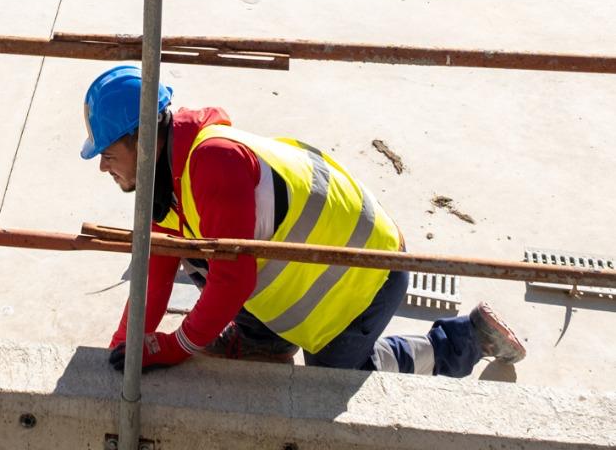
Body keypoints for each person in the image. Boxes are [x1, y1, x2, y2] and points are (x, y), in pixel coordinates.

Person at [81, 65, 526, 376]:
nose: (103, 167)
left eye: (107, 153)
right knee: (197, 254)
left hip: (362, 280)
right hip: (318, 269)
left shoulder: (213, 164)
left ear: (141, 139)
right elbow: (158, 267)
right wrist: (127, 342)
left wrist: (177, 347)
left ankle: (464, 341)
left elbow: (233, 281)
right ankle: (264, 341)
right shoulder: (170, 175)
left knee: (337, 380)